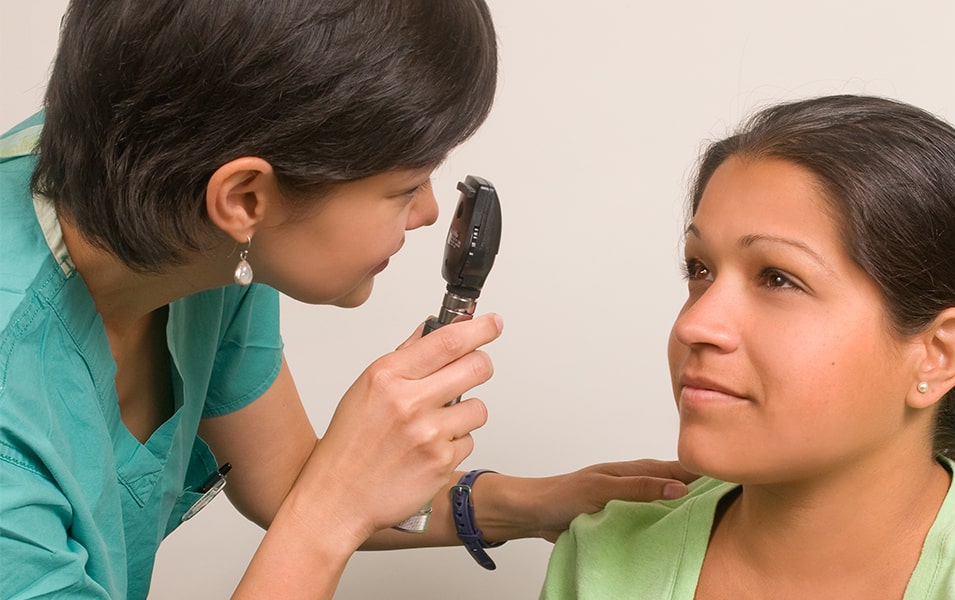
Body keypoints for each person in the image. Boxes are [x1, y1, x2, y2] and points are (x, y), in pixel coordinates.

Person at [0, 1, 694, 598]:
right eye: (403, 187)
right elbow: (318, 500)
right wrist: (335, 505)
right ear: (245, 198)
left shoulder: (188, 221)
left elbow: (286, 482)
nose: (425, 212)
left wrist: (539, 505)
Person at [541, 95, 955, 599]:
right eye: (700, 270)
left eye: (778, 278)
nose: (696, 324)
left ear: (939, 353)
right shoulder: (601, 558)